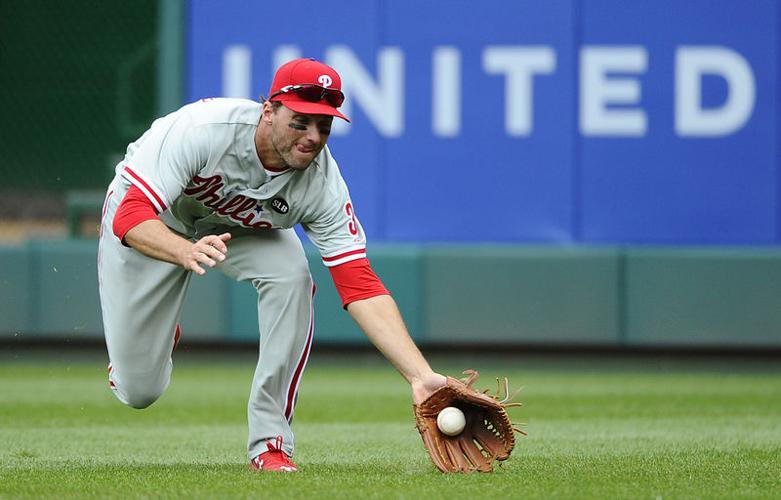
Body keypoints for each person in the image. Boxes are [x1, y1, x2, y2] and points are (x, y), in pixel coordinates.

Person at [97, 57, 447, 472]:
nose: (313, 137)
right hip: (155, 221)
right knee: (138, 391)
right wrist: (183, 251)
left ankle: (270, 443)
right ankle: (155, 336)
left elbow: (359, 284)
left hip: (241, 228)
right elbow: (131, 216)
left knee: (293, 277)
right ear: (269, 111)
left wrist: (420, 376)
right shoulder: (204, 130)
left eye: (324, 126)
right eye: (301, 121)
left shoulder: (321, 184)